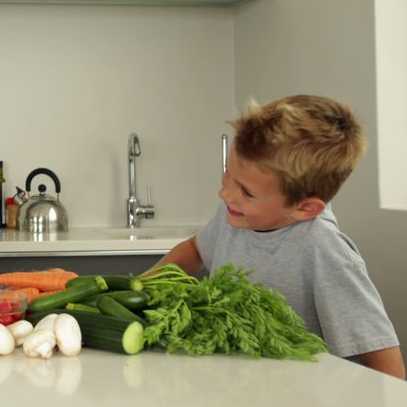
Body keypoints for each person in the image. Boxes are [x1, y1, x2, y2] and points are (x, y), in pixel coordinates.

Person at [153, 95, 403, 378]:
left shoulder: (324, 250)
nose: (225, 194)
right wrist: (142, 287)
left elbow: (385, 359)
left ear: (305, 208)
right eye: (227, 172)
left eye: (247, 191)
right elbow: (195, 249)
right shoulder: (234, 214)